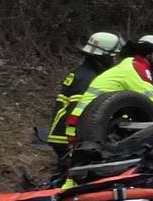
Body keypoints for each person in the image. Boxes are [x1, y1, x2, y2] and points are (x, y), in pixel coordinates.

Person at [44, 31, 122, 171]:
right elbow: (79, 111)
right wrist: (75, 141)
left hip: (61, 135)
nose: (114, 62)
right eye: (113, 57)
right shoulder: (88, 79)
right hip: (67, 137)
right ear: (104, 58)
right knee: (72, 175)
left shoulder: (83, 72)